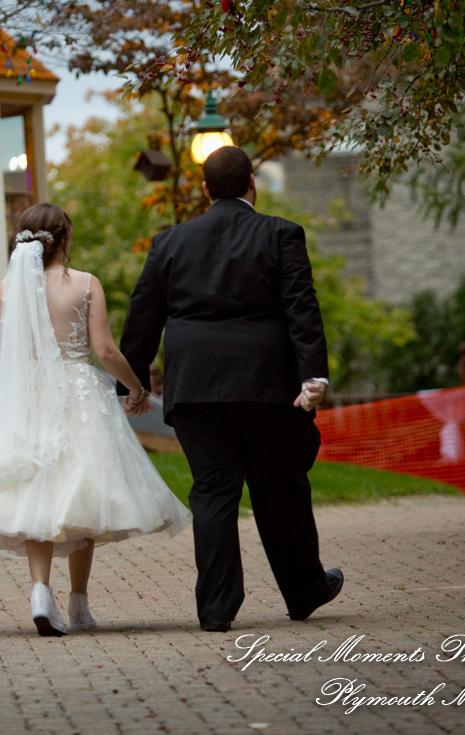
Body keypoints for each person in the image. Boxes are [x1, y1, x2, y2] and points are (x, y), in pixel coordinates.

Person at [0, 203, 191, 637]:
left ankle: (41, 591)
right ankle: (79, 601)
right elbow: (105, 351)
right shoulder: (85, 283)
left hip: (25, 396)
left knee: (34, 493)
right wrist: (136, 389)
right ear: (63, 239)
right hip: (78, 394)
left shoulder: (7, 289)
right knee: (85, 491)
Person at [119, 146, 343, 632]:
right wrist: (314, 376)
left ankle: (217, 609)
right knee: (280, 489)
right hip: (268, 387)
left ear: (205, 189)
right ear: (252, 184)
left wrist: (130, 385)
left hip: (195, 389)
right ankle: (304, 591)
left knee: (213, 493)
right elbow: (301, 307)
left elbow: (143, 317)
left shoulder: (169, 242)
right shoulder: (281, 233)